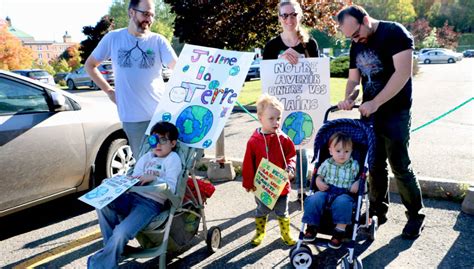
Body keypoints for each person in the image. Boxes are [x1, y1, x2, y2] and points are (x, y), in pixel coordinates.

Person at [336, 5, 425, 239]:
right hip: (369, 115)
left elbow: (402, 73)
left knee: (399, 165)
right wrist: (350, 97)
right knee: (373, 165)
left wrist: (375, 102)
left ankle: (416, 216)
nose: (355, 40)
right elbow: (354, 79)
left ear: (365, 19)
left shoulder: (395, 33)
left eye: (356, 34)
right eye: (350, 37)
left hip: (396, 112)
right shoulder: (356, 44)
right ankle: (377, 211)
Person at [85, 0, 177, 159]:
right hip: (133, 119)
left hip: (160, 116)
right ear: (131, 12)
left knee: (169, 166)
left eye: (152, 15)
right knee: (145, 165)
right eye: (146, 14)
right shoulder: (113, 38)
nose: (149, 19)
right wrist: (109, 91)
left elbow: (177, 67)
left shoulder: (158, 40)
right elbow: (90, 65)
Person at [88, 121, 182, 268]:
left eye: (163, 140)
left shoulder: (172, 159)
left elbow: (171, 187)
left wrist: (154, 178)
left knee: (120, 232)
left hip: (150, 204)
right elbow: (134, 180)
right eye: (154, 140)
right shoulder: (146, 157)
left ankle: (101, 262)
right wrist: (115, 184)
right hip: (132, 197)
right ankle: (111, 252)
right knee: (102, 203)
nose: (157, 144)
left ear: (173, 143)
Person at [262, 0, 320, 202]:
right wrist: (281, 59)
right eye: (284, 15)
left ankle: (302, 189)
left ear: (300, 16)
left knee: (301, 146)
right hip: (278, 105)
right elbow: (267, 77)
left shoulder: (309, 44)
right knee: (279, 146)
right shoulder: (272, 46)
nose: (289, 19)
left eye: (293, 14)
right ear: (279, 18)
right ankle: (277, 190)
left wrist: (300, 58)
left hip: (303, 102)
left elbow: (316, 74)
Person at [242, 94, 297, 246]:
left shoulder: (284, 139)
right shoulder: (254, 141)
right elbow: (248, 163)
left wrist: (291, 167)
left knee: (282, 212)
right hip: (262, 186)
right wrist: (248, 182)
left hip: (281, 186)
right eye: (271, 119)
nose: (276, 122)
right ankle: (260, 232)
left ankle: (285, 234)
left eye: (278, 118)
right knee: (261, 211)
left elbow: (292, 155)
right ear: (260, 117)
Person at [302, 132, 359, 249]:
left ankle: (339, 232)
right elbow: (319, 176)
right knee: (313, 199)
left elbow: (363, 177)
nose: (342, 155)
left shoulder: (353, 165)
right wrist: (318, 181)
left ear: (351, 151)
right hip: (327, 190)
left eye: (346, 151)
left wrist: (357, 183)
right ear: (330, 151)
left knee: (343, 203)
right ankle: (312, 226)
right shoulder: (327, 163)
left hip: (345, 192)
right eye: (338, 151)